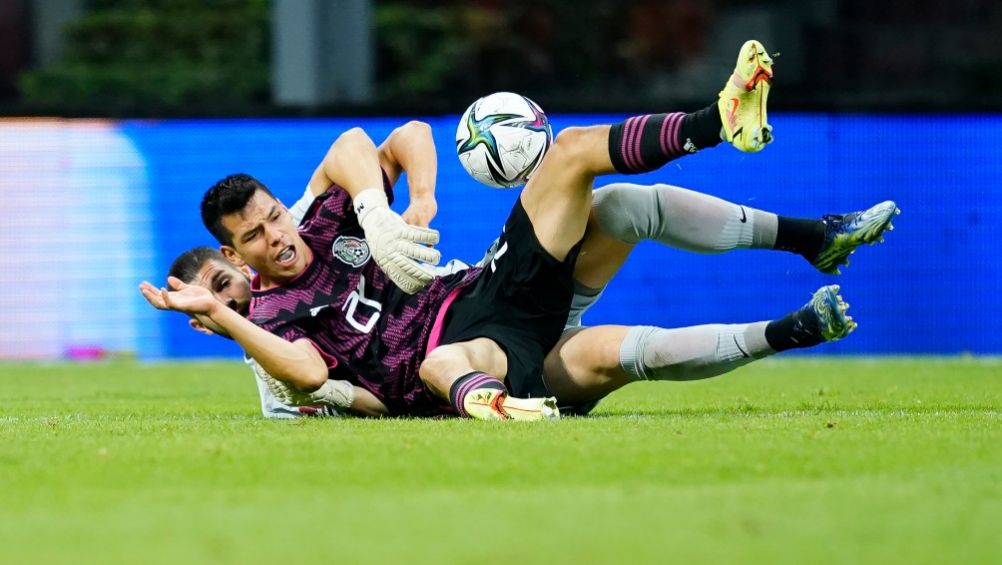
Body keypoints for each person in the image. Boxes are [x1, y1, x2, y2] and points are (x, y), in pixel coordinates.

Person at [142, 40, 890, 420]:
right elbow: (306, 378)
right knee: (628, 351)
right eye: (256, 239)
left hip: (486, 292)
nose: (276, 237)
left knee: (601, 184)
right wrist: (217, 314)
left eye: (273, 216)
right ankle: (790, 329)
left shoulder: (326, 214)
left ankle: (773, 186)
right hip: (467, 354)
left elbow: (370, 141)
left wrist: (405, 205)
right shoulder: (269, 320)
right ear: (235, 255)